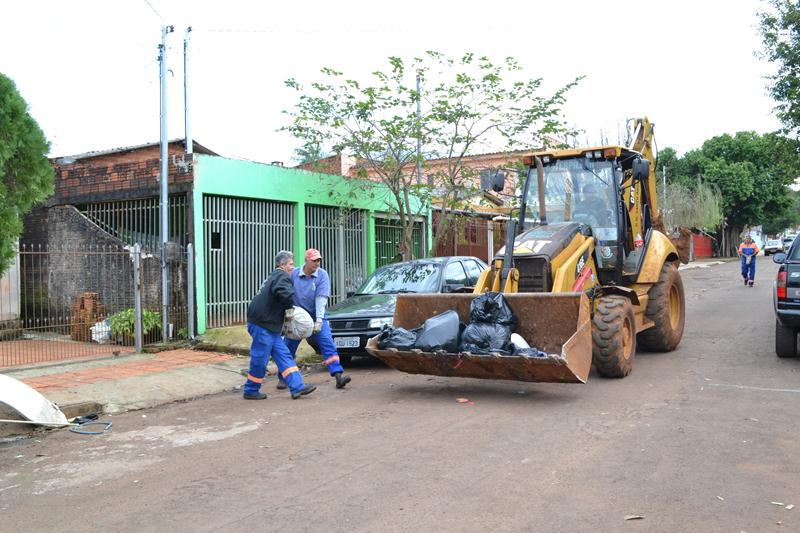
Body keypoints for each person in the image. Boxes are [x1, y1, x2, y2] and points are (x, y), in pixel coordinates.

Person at [242, 250, 317, 400]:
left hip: (267, 324)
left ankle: (297, 387)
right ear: (282, 265)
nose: (293, 267)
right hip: (262, 324)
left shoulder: (274, 276)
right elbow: (285, 293)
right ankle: (251, 390)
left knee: (284, 355)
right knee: (260, 358)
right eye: (290, 264)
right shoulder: (281, 275)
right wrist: (290, 308)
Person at [280, 248, 352, 390]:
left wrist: (319, 320)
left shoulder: (322, 275)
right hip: (297, 318)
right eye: (314, 261)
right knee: (288, 347)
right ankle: (283, 378)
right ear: (306, 260)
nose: (317, 263)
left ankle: (338, 375)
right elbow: (286, 293)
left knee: (327, 343)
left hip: (316, 316)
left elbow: (321, 299)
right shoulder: (294, 274)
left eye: (319, 260)